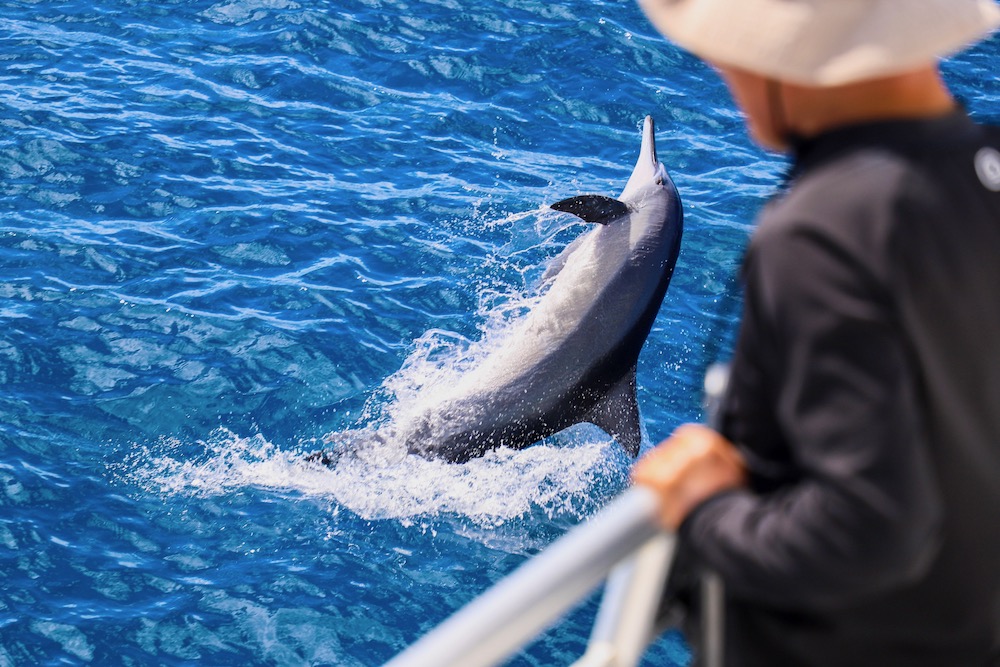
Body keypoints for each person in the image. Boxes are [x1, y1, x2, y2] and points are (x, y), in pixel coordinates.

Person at [630, 1, 1000, 665]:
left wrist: (705, 511)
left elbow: (874, 525)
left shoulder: (826, 230)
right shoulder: (983, 170)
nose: (721, 63)